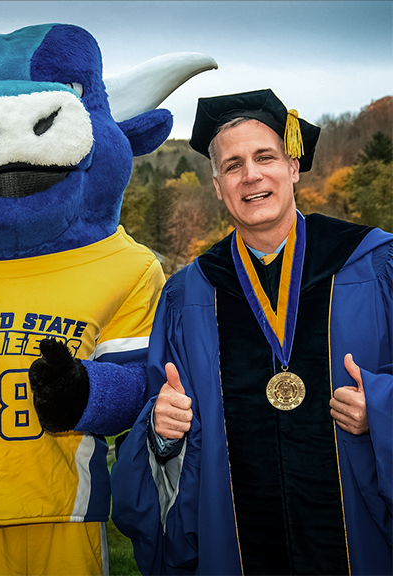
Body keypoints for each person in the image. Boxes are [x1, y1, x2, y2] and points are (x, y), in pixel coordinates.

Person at [111, 89, 392, 575]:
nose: (252, 176)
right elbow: (160, 418)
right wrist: (162, 432)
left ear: (293, 167)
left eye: (265, 157)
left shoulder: (375, 263)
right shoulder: (188, 295)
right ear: (218, 186)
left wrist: (382, 409)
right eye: (234, 165)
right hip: (237, 548)